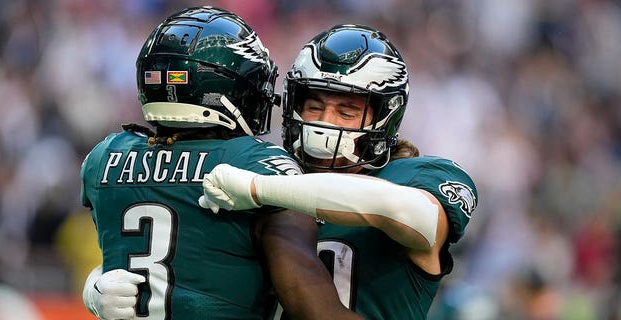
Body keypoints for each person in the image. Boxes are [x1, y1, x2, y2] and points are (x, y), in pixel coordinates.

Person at [80, 7, 360, 320]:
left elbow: (139, 254)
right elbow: (313, 309)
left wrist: (91, 285)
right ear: (225, 90)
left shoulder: (104, 158)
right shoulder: (253, 162)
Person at [199, 24, 479, 319]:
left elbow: (403, 210)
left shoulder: (418, 176)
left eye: (346, 112)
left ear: (386, 117)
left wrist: (259, 189)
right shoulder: (266, 166)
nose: (325, 122)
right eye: (313, 106)